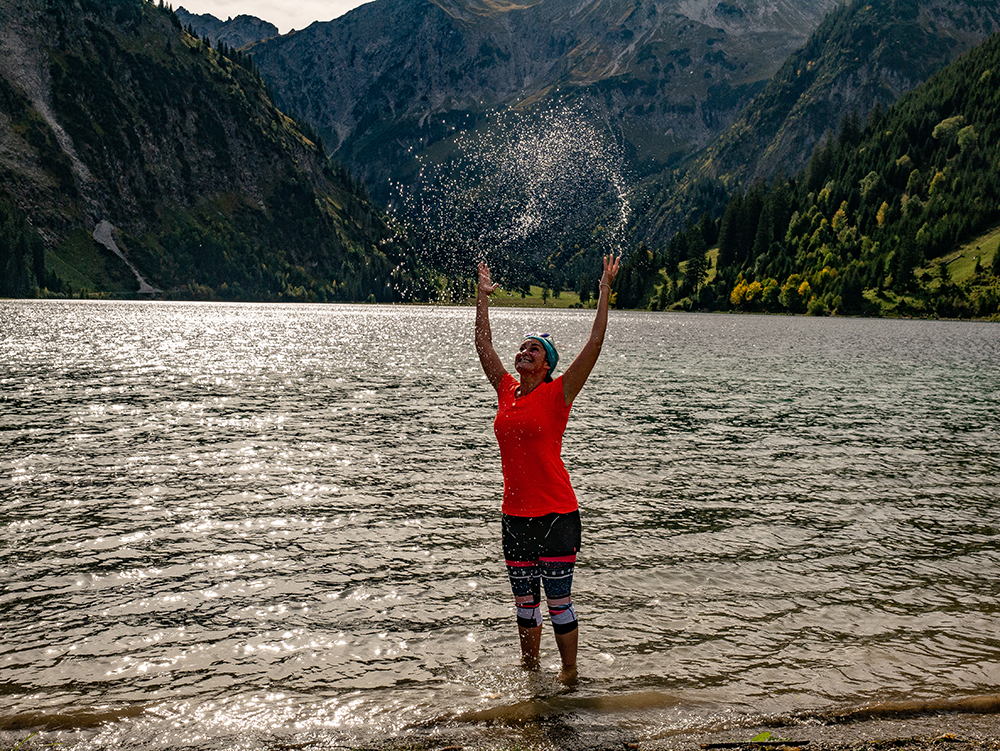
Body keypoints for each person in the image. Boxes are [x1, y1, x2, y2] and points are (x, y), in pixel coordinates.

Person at [474, 255, 620, 684]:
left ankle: (570, 676)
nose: (523, 352)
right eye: (521, 347)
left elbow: (593, 345)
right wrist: (482, 298)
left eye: (532, 349)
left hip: (556, 513)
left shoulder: (559, 394)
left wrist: (605, 291)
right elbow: (483, 346)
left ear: (547, 364)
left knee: (558, 601)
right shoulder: (506, 389)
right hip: (515, 515)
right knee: (524, 603)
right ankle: (531, 674)